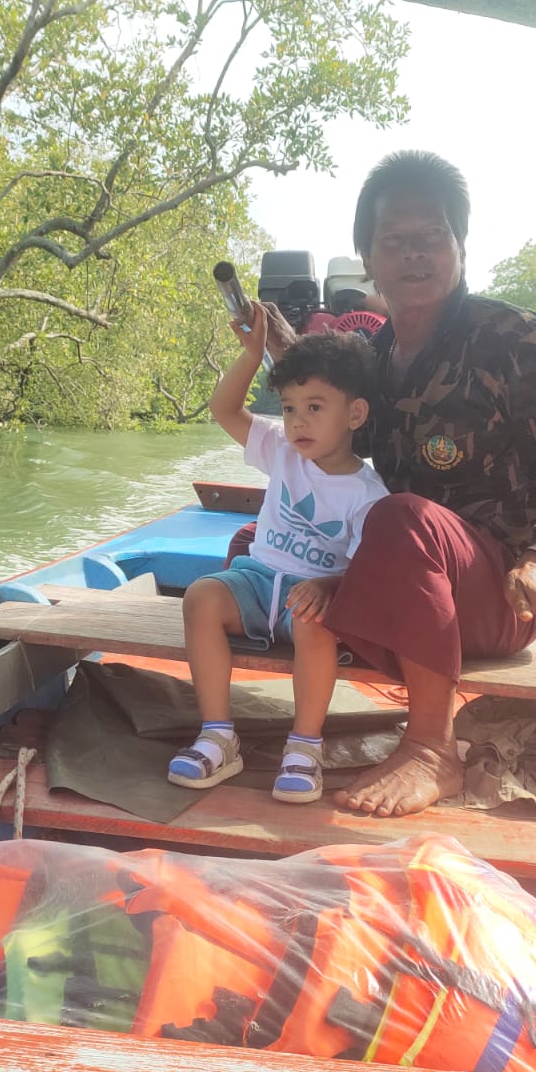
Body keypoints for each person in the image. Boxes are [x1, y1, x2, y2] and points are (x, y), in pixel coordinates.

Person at [258, 150, 536, 819]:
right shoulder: (376, 362)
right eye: (396, 240)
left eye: (432, 238)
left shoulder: (511, 337)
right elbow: (336, 439)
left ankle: (430, 748)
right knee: (258, 545)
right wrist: (289, 357)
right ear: (368, 252)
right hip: (412, 582)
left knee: (400, 518)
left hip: (503, 593)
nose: (415, 255)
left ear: (460, 245)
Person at [168, 316, 387, 804]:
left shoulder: (368, 492)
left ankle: (304, 746)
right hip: (256, 577)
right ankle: (219, 736)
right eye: (288, 409)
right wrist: (251, 355)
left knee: (315, 624)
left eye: (314, 407)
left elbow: (362, 570)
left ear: (354, 414)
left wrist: (328, 585)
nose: (297, 422)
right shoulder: (282, 452)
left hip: (312, 594)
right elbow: (224, 409)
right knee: (202, 596)